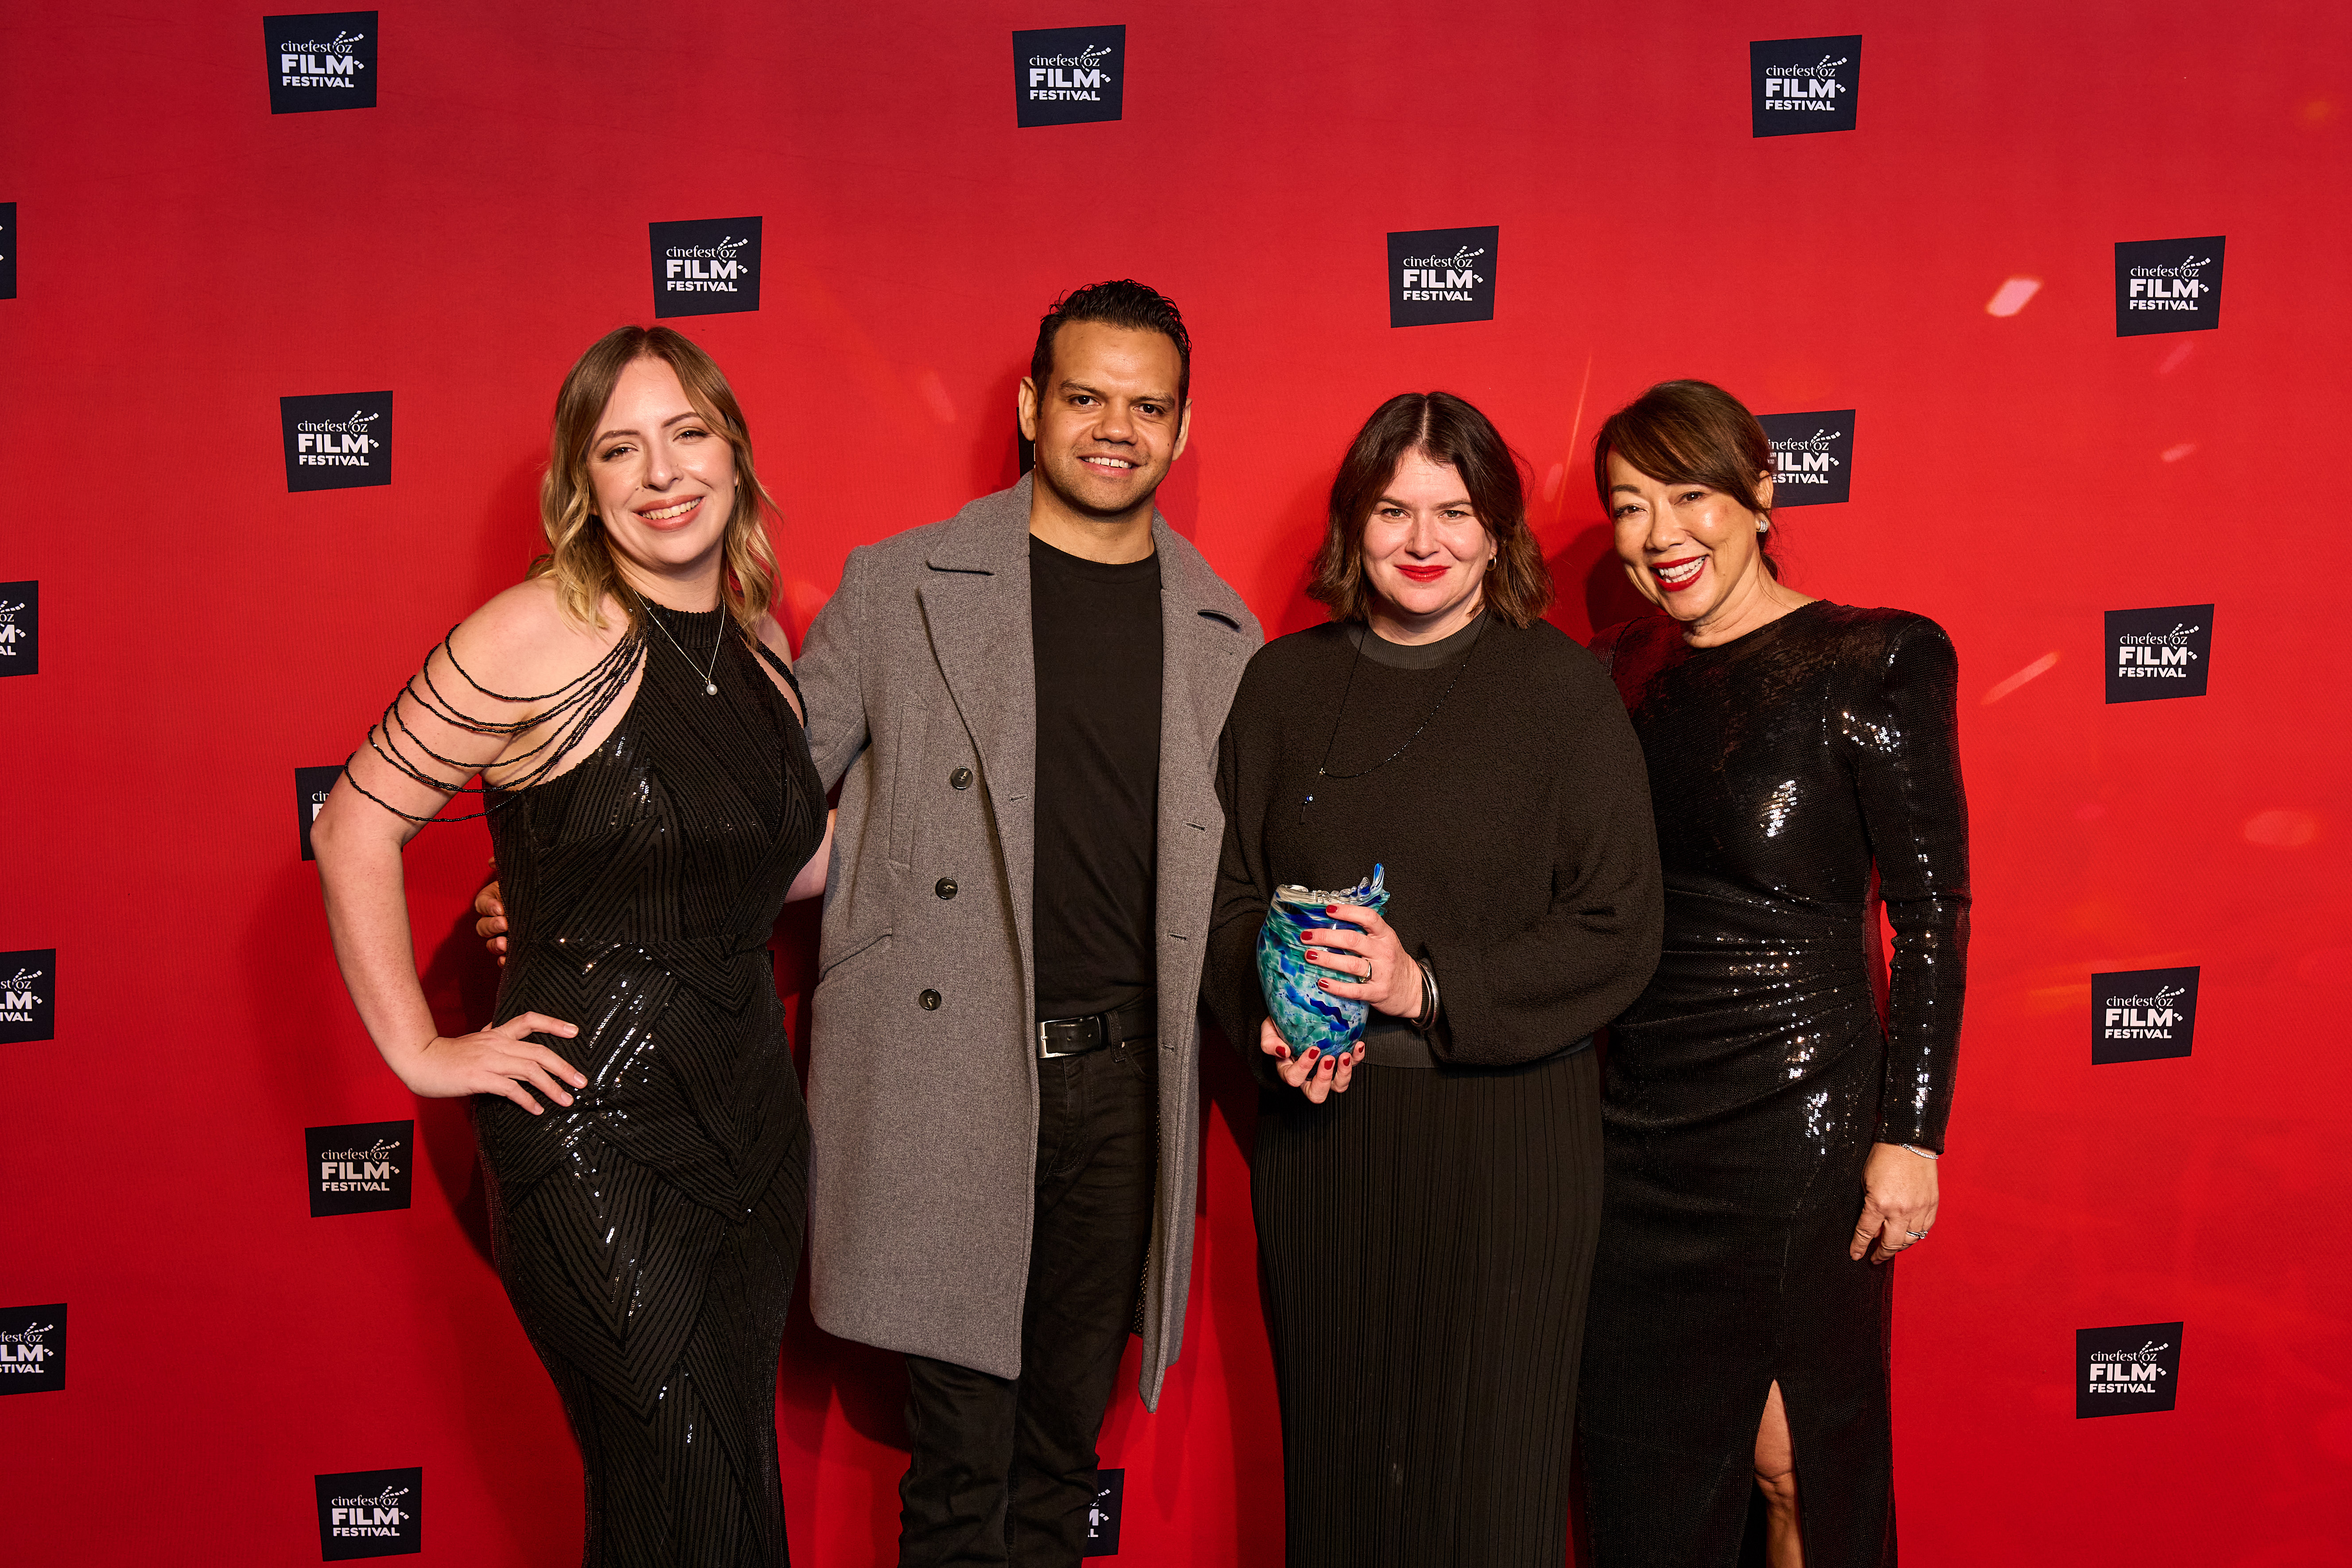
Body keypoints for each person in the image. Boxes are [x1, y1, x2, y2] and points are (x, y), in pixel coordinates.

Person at [313, 325, 830, 1568]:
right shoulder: (538, 631)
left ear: (734, 452)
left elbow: (789, 864)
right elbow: (352, 825)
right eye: (621, 448)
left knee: (700, 1511)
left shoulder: (760, 647)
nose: (662, 472)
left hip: (752, 1131)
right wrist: (424, 1048)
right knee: (689, 1493)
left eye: (687, 434)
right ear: (582, 485)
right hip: (592, 1138)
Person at [798, 281, 1256, 1567]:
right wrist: (590, 891)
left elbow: (1251, 880)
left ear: (1180, 427)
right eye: (1086, 397)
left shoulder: (1225, 632)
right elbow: (763, 796)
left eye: (1146, 406)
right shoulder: (902, 586)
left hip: (1123, 1086)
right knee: (959, 1470)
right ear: (1030, 406)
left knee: (1061, 1464)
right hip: (955, 1070)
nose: (1115, 428)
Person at [1200, 391, 1664, 1567]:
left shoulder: (1563, 695)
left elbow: (1619, 926)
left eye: (1455, 511)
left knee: (1490, 1495)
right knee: (1348, 1489)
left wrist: (1427, 985)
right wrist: (1274, 1012)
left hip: (1511, 1147)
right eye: (1393, 507)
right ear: (1351, 524)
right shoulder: (1282, 687)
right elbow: (1225, 897)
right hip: (1327, 1143)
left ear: (1498, 530)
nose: (1423, 538)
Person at [1575, 380, 1967, 1568]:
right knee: (1649, 1464)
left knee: (1796, 1460)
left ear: (1760, 492)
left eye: (1688, 496)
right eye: (1629, 507)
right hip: (1637, 1131)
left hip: (1800, 1121)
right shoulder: (1622, 677)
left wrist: (1912, 1131)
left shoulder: (1876, 657)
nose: (1658, 537)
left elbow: (1932, 910)